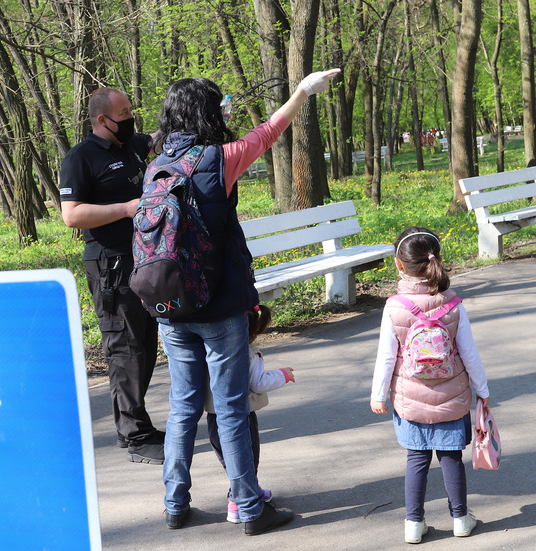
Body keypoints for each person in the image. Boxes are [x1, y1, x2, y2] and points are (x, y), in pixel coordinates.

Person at [152, 68, 340, 535]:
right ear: (208, 113)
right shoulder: (221, 158)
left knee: (182, 408)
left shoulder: (156, 164)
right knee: (232, 407)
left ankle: (175, 503)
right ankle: (251, 508)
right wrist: (302, 90)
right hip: (219, 306)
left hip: (170, 306)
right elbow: (270, 130)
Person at [60, 87, 164, 465]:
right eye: (123, 113)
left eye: (131, 111)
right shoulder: (81, 158)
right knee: (125, 348)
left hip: (144, 259)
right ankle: (135, 435)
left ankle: (133, 423)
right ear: (102, 120)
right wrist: (125, 208)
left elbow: (155, 140)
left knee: (145, 345)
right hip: (110, 264)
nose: (130, 118)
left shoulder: (131, 145)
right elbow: (71, 215)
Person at [369, 227, 492, 544]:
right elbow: (469, 352)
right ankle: (461, 518)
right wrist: (483, 391)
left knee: (416, 460)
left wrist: (379, 394)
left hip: (409, 401)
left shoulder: (394, 307)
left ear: (399, 265)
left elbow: (386, 356)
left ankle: (413, 524)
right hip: (453, 397)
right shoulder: (453, 305)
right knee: (451, 458)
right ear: (436, 261)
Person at [203, 304, 295, 524]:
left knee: (228, 458)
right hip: (240, 414)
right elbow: (258, 383)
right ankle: (239, 501)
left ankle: (250, 489)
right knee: (246, 456)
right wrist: (283, 375)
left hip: (213, 416)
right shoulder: (249, 353)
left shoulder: (208, 349)